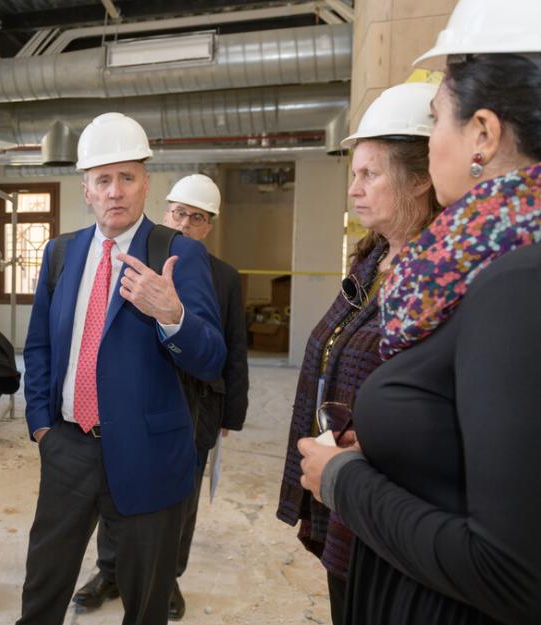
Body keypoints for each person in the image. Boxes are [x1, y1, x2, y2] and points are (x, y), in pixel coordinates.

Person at [299, 2, 541, 622]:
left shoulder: (516, 281)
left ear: (482, 134)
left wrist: (343, 479)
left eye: (436, 119)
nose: (432, 140)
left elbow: (510, 569)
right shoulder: (475, 260)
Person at [17, 112, 226, 625]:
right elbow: (40, 343)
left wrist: (171, 315)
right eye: (103, 180)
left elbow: (212, 358)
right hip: (68, 446)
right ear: (86, 189)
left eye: (127, 178)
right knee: (43, 589)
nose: (116, 192)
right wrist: (42, 423)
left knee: (144, 600)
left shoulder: (178, 254)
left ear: (145, 184)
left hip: (149, 453)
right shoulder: (62, 252)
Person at [274, 80, 441, 623]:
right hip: (343, 484)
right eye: (355, 174)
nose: (354, 189)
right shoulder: (370, 264)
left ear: (419, 180)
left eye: (370, 174)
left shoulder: (440, 276)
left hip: (391, 503)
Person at [73, 173, 250, 621]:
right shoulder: (135, 258)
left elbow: (233, 345)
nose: (186, 224)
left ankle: (167, 576)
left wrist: (234, 409)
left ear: (208, 226)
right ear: (166, 210)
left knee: (181, 497)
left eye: (197, 218)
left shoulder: (225, 277)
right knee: (117, 487)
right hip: (145, 404)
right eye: (180, 213)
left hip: (199, 405)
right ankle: (109, 571)